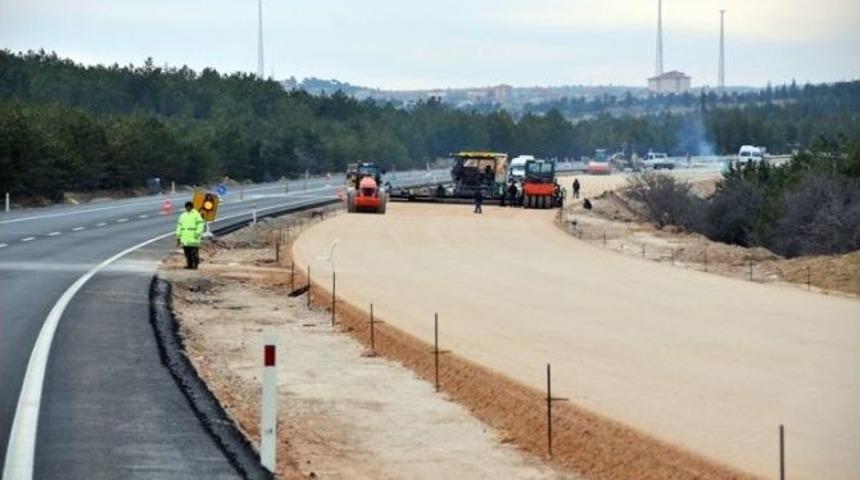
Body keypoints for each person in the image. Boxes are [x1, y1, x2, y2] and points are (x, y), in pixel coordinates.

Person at [176, 201, 205, 269]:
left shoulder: (196, 215)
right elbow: (179, 226)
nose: (188, 208)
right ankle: (189, 265)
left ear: (192, 207)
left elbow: (200, 225)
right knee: (187, 253)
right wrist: (178, 236)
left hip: (194, 238)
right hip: (185, 239)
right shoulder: (182, 215)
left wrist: (198, 233)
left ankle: (195, 265)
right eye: (187, 207)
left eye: (189, 206)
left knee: (194, 253)